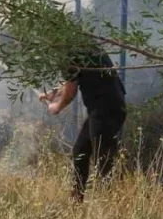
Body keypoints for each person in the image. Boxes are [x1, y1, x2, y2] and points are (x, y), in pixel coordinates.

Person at [39, 46, 127, 202]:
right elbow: (74, 77)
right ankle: (76, 202)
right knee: (80, 152)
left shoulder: (69, 52)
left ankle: (110, 207)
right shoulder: (81, 46)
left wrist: (57, 106)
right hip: (104, 108)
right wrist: (54, 93)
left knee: (104, 162)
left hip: (105, 109)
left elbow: (71, 91)